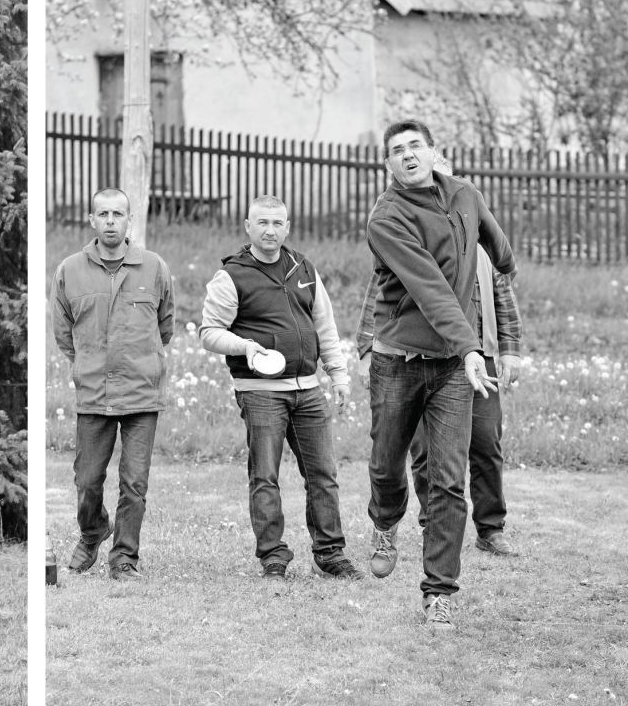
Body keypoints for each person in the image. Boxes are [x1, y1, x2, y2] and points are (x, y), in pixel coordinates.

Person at [364, 120, 516, 632]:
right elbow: (431, 290)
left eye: (415, 147)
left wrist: (502, 259)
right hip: (398, 361)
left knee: (449, 482)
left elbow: (495, 245)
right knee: (388, 467)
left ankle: (440, 592)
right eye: (396, 151)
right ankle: (385, 522)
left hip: (452, 367)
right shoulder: (387, 218)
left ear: (434, 152)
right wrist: (473, 344)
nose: (407, 155)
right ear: (388, 164)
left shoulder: (464, 194)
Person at [199, 195, 363, 582]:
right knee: (265, 477)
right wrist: (244, 346)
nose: (270, 230)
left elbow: (324, 326)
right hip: (259, 390)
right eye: (262, 223)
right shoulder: (232, 275)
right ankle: (273, 556)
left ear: (287, 227)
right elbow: (209, 333)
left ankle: (330, 553)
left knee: (323, 473)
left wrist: (338, 375)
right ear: (247, 227)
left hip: (308, 389)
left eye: (277, 223)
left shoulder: (304, 268)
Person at [359, 248, 524, 558]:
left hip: (480, 357)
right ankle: (432, 524)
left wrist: (511, 349)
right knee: (425, 451)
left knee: (487, 443)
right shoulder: (411, 239)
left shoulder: (483, 243)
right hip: (424, 359)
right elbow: (378, 294)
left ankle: (490, 529)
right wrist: (367, 349)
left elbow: (503, 292)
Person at [51, 187, 174, 582]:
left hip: (142, 393)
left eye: (117, 214)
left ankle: (124, 559)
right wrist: (89, 363)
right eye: (102, 214)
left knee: (134, 483)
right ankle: (92, 531)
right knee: (87, 481)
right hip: (93, 393)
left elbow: (165, 326)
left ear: (129, 220)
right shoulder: (69, 270)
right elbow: (63, 333)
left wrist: (143, 362)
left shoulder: (155, 268)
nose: (109, 221)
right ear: (91, 220)